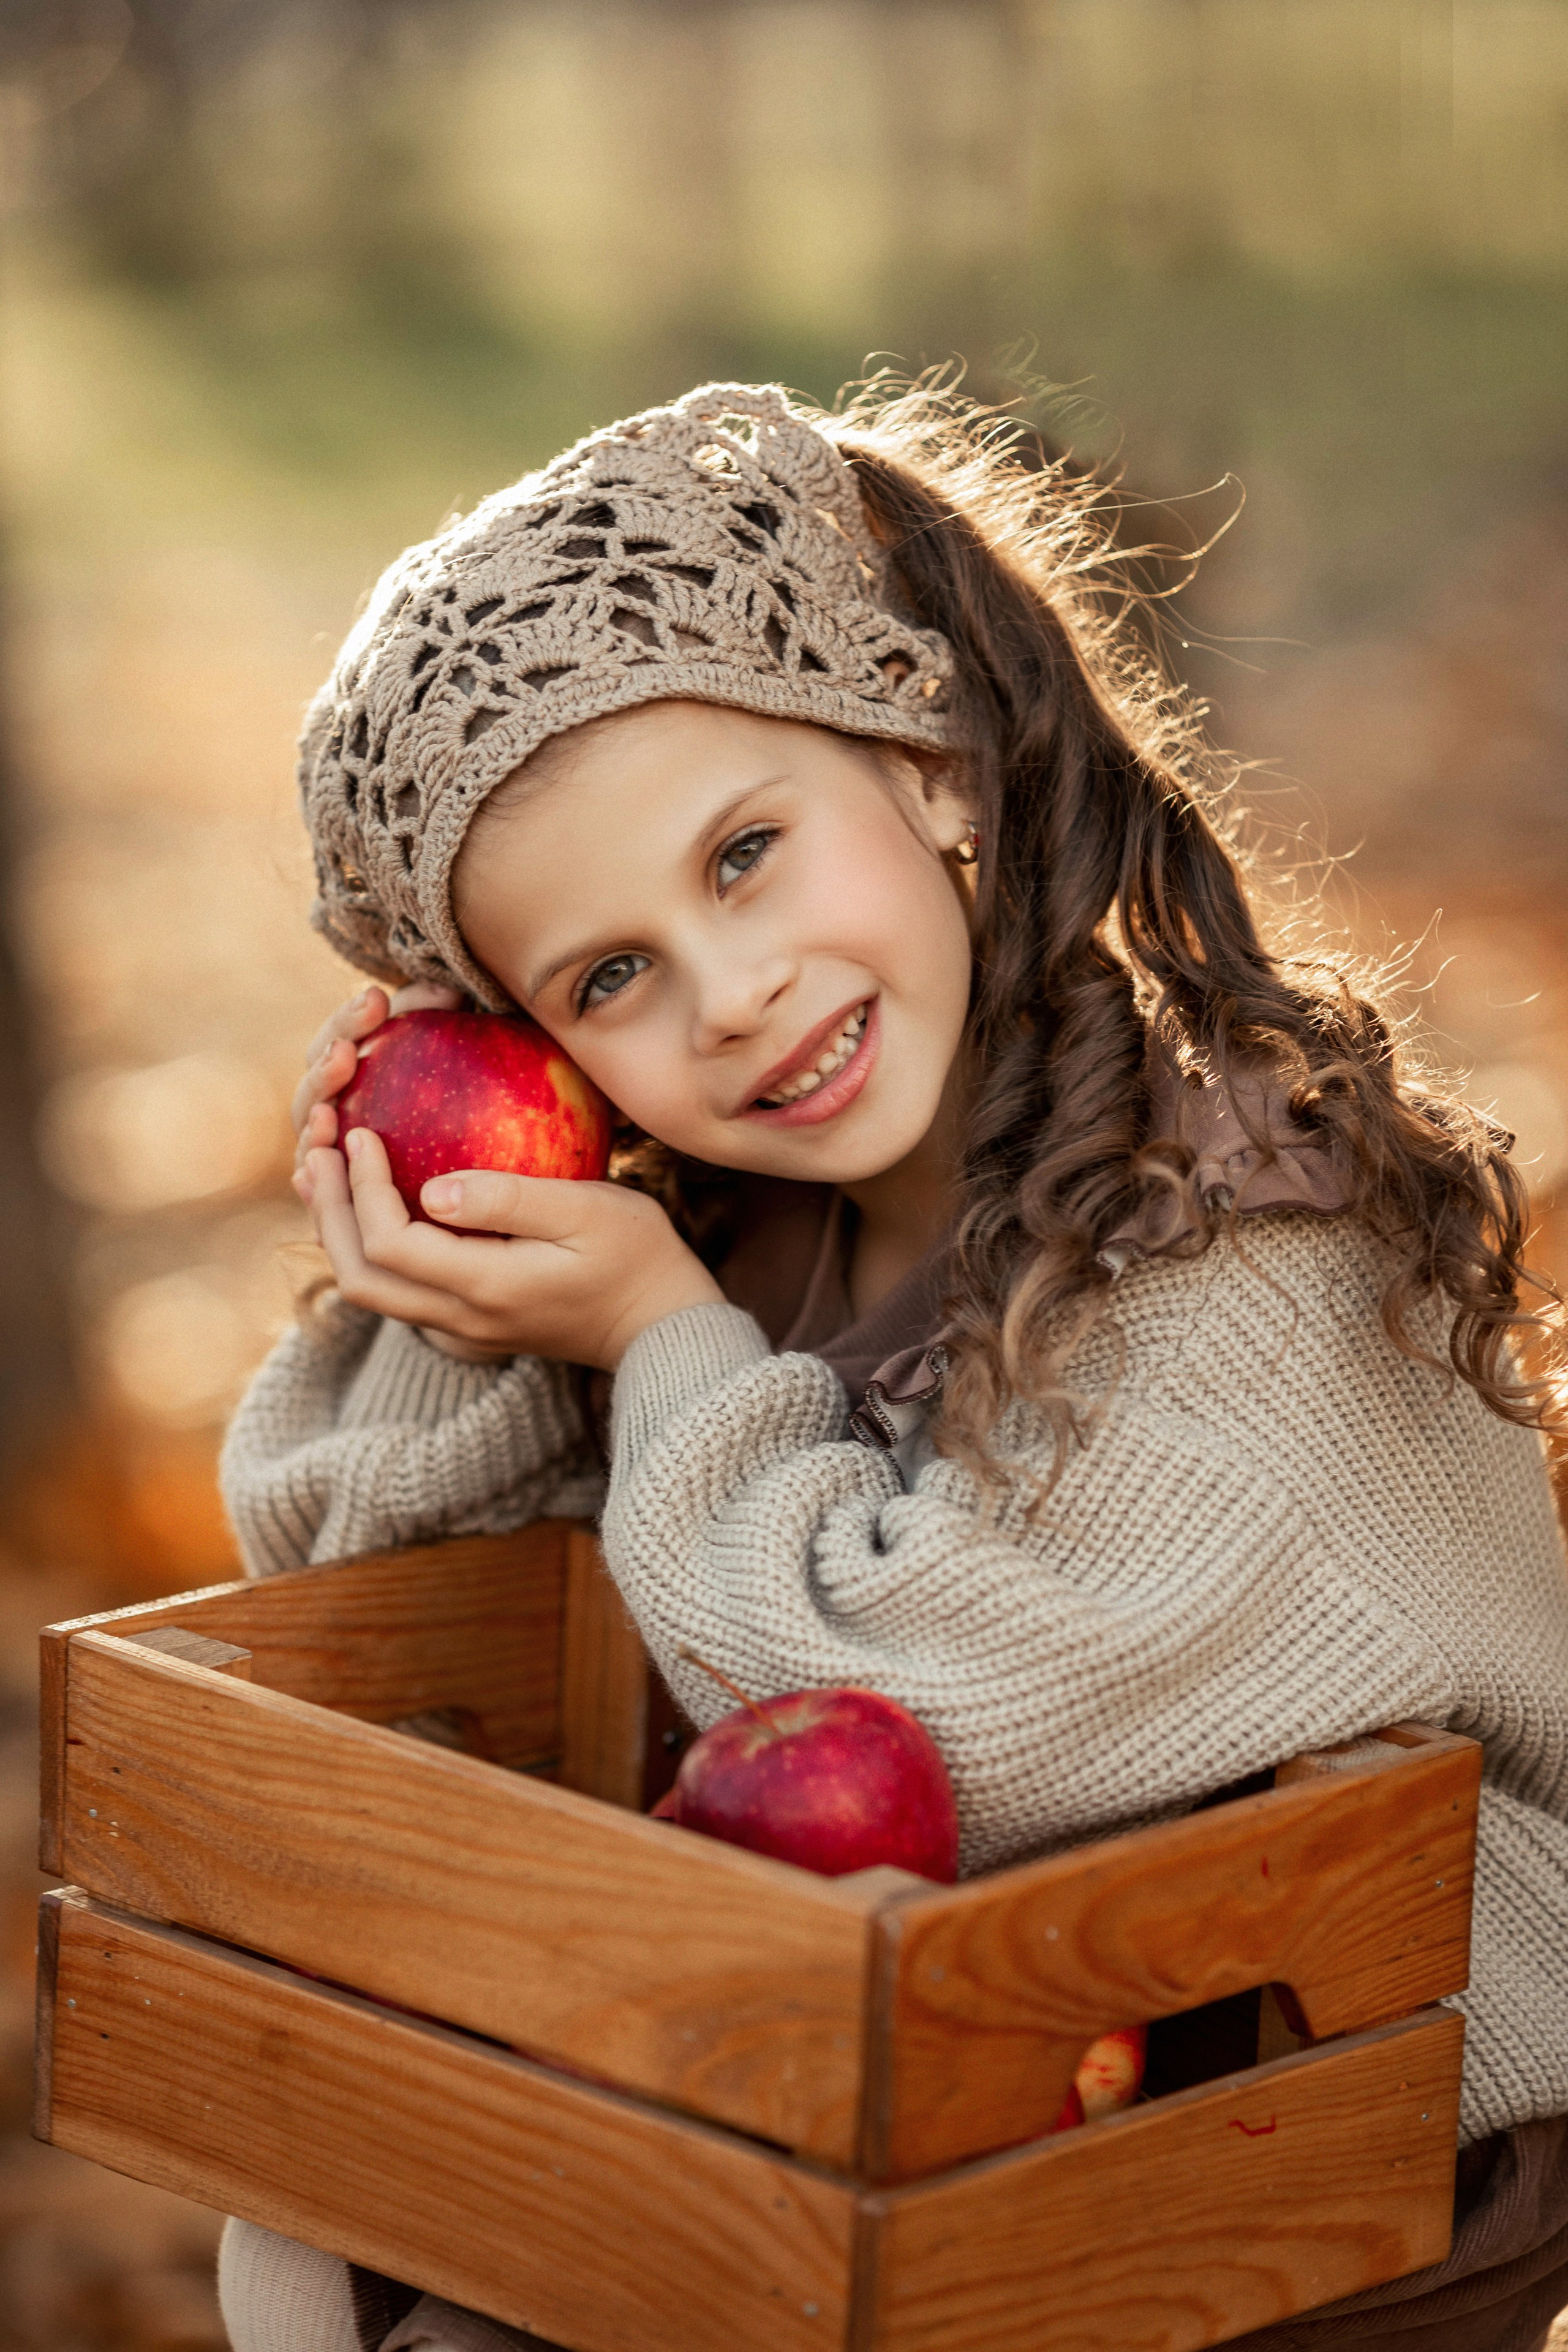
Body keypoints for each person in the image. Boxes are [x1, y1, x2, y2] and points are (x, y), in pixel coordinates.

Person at [216, 381, 1568, 2352]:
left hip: (1342, 2128)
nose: (729, 995)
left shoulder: (1246, 1229)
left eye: (747, 854)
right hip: (970, 2070)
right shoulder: (752, 1241)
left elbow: (946, 1734)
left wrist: (661, 1343)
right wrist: (450, 1279)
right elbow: (413, 1628)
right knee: (338, 2221)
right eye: (607, 979)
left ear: (931, 761)